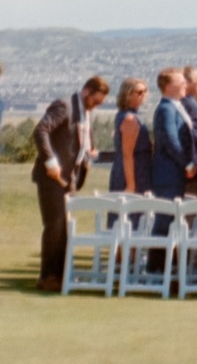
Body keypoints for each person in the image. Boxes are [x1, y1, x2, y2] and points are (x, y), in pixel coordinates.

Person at [32, 75, 109, 291]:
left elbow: (81, 141)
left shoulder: (85, 112)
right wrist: (50, 161)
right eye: (96, 100)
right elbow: (41, 130)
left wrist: (88, 154)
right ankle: (47, 276)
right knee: (55, 227)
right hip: (52, 177)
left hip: (69, 179)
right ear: (87, 92)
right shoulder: (64, 106)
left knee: (64, 228)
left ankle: (61, 276)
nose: (97, 106)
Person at [151, 68, 197, 251]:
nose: (185, 85)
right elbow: (171, 141)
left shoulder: (175, 106)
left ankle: (166, 268)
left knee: (172, 222)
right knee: (165, 221)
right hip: (168, 175)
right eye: (181, 82)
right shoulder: (166, 109)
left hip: (174, 174)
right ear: (169, 86)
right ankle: (156, 268)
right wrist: (187, 163)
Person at [108, 77, 152, 198]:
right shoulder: (129, 119)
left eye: (145, 91)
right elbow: (127, 154)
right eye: (139, 92)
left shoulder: (132, 115)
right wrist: (131, 185)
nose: (143, 95)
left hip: (139, 169)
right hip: (133, 172)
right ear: (128, 95)